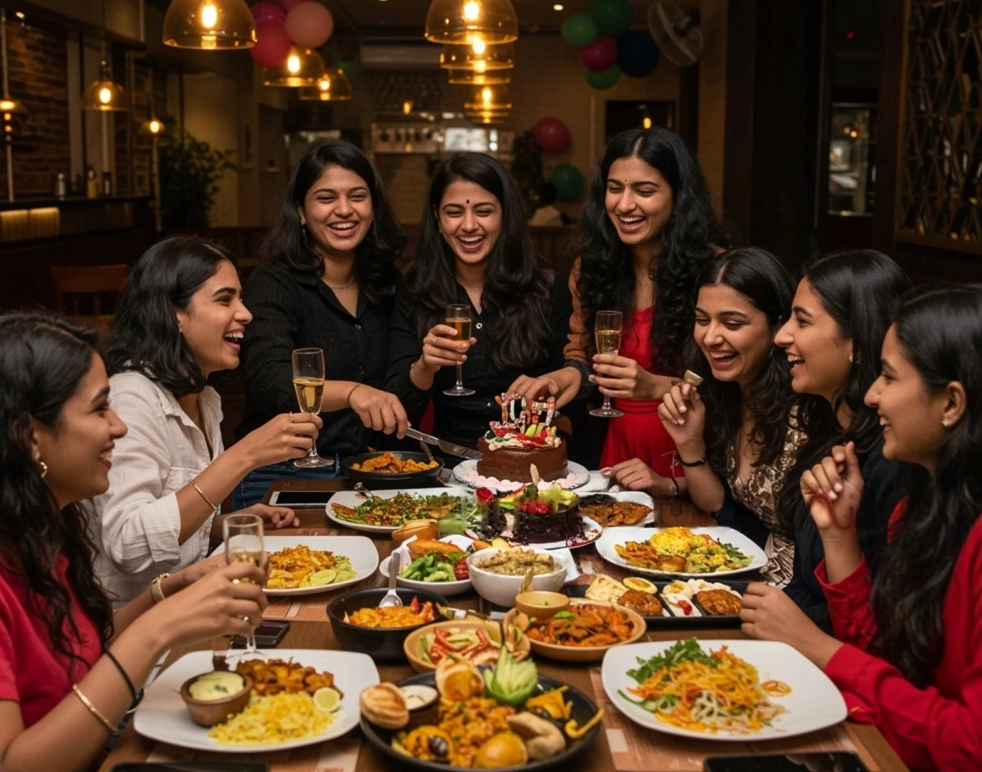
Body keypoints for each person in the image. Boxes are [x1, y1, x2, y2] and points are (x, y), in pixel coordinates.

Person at [0, 313, 267, 772]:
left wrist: (167, 592)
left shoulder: (40, 531)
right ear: (29, 436)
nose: (120, 427)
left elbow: (77, 655)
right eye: (100, 408)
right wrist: (153, 634)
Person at [741, 284, 982, 772]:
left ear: (951, 403)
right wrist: (840, 538)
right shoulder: (924, 507)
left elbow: (972, 757)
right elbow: (893, 664)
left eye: (889, 378)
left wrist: (822, 651)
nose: (872, 396)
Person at [87, 237, 320, 607]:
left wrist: (222, 527)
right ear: (173, 314)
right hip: (139, 632)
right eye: (225, 300)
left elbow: (170, 530)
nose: (245, 313)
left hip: (196, 607)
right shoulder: (131, 397)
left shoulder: (204, 398)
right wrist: (243, 456)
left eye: (240, 299)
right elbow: (127, 544)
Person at [522, 125, 729, 486]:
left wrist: (658, 387)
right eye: (614, 189)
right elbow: (581, 349)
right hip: (614, 446)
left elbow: (736, 382)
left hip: (696, 451)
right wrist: (570, 374)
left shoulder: (714, 271)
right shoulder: (592, 268)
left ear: (679, 196)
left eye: (644, 191)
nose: (624, 204)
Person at [235, 140, 409, 507]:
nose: (344, 210)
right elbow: (271, 383)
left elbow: (399, 386)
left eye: (357, 196)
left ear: (373, 207)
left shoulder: (387, 284)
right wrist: (351, 391)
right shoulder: (273, 283)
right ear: (301, 210)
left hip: (367, 473)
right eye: (326, 197)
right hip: (280, 475)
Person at [385, 153, 572, 455]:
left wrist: (551, 385)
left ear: (505, 214)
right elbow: (398, 410)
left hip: (531, 462)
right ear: (437, 216)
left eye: (484, 211)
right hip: (448, 469)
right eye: (454, 212)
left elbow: (577, 383)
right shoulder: (414, 290)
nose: (469, 225)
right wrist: (424, 367)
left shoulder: (546, 288)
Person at [649, 247, 804, 585]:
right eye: (702, 320)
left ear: (779, 324)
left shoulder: (804, 410)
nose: (710, 336)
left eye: (732, 323)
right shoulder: (726, 393)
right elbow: (718, 504)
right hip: (741, 572)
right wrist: (689, 445)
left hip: (794, 594)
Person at [775, 249, 912, 628]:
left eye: (801, 321)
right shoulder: (831, 429)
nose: (781, 335)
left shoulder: (889, 459)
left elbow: (875, 621)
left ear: (857, 340)